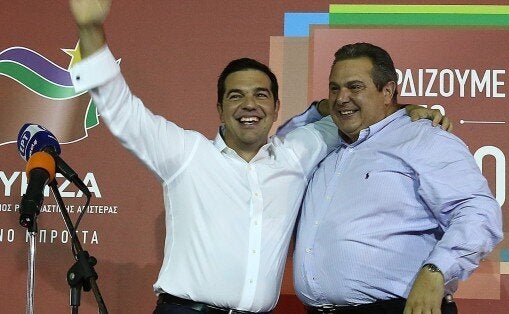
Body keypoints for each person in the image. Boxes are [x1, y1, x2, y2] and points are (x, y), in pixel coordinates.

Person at [68, 1, 450, 313]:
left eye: (261, 95)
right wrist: (90, 31)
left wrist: (407, 109)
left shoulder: (299, 150)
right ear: (219, 108)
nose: (249, 105)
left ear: (277, 107)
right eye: (236, 96)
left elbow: (353, 113)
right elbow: (121, 111)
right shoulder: (186, 154)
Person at [293, 43, 504, 314]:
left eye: (355, 87)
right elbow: (280, 136)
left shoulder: (424, 137)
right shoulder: (326, 144)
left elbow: (478, 211)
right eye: (335, 88)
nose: (341, 98)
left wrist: (436, 270)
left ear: (388, 91)